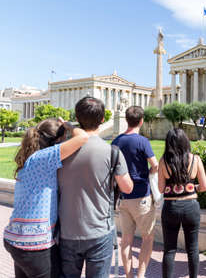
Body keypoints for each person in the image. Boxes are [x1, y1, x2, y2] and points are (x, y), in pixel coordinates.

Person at [58, 96, 134, 278]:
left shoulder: (59, 151)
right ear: (102, 120)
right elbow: (128, 188)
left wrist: (69, 127)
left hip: (67, 230)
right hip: (99, 230)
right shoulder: (112, 152)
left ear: (77, 117)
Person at [3, 118, 89, 278]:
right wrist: (69, 126)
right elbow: (83, 138)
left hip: (16, 239)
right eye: (63, 141)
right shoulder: (45, 158)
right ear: (55, 141)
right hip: (34, 244)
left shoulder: (32, 159)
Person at [112, 106, 159, 278]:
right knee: (147, 238)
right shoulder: (142, 141)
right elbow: (155, 165)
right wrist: (150, 174)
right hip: (142, 196)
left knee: (126, 240)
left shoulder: (116, 141)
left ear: (126, 119)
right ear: (141, 121)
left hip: (123, 197)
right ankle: (140, 275)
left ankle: (129, 275)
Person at [158, 128, 206, 278]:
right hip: (191, 207)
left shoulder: (164, 161)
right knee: (192, 249)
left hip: (171, 207)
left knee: (169, 250)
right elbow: (205, 186)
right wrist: (193, 187)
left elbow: (161, 188)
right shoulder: (195, 160)